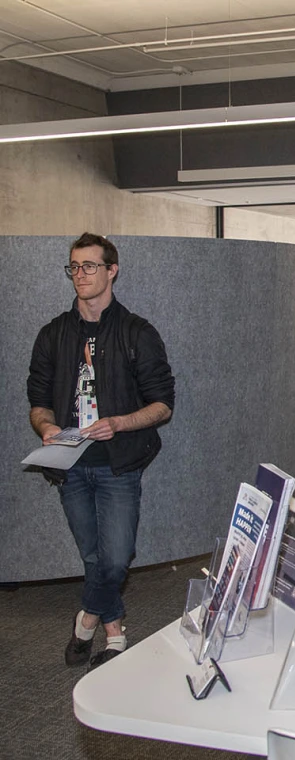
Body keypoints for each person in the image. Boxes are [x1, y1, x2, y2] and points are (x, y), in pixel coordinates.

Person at [26, 233, 175, 670]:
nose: (80, 275)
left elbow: (163, 404)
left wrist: (119, 422)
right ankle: (114, 634)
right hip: (68, 465)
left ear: (112, 270)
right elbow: (37, 401)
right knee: (92, 556)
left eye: (90, 266)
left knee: (115, 556)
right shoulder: (53, 334)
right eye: (74, 266)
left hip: (119, 464)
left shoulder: (137, 332)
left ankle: (85, 621)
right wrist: (47, 426)